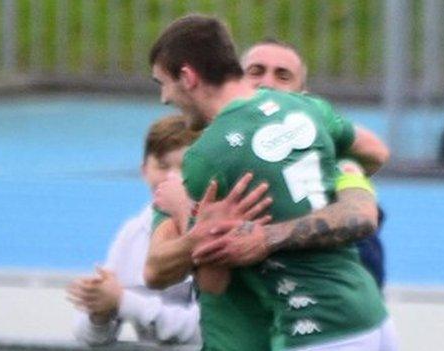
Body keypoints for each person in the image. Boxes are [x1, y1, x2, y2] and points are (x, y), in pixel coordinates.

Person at [146, 14, 398, 351]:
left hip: (312, 332)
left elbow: (173, 273)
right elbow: (376, 154)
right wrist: (345, 179)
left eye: (163, 83)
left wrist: (184, 214)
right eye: (258, 71)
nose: (164, 98)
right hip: (370, 318)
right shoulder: (307, 111)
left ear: (188, 77)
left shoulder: (206, 159)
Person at [241, 38, 388, 289]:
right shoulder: (220, 135)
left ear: (303, 95)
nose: (267, 83)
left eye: (283, 76)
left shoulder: (315, 131)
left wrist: (343, 179)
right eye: (256, 71)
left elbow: (377, 152)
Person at [66, 115, 202, 346]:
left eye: (185, 167)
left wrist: (123, 301)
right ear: (144, 170)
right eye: (163, 166)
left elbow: (203, 331)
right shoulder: (133, 234)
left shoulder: (216, 232)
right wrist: (98, 311)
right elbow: (90, 338)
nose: (173, 178)